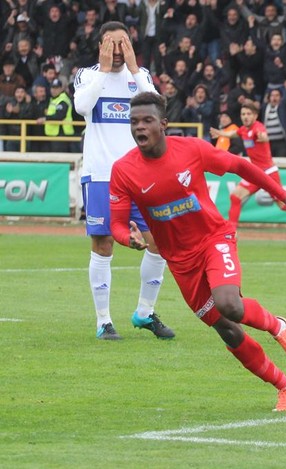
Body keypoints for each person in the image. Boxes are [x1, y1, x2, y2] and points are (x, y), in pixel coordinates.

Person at [110, 91, 286, 411]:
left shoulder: (191, 150)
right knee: (228, 331)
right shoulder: (124, 170)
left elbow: (240, 166)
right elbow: (117, 225)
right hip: (179, 262)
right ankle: (285, 386)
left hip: (213, 239)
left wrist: (282, 195)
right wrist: (130, 239)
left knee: (229, 304)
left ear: (163, 124)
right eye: (134, 121)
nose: (140, 127)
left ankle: (279, 326)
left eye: (147, 120)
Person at [73, 21, 173, 340]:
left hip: (141, 175)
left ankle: (144, 313)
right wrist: (103, 71)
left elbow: (158, 112)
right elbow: (81, 107)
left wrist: (134, 70)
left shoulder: (139, 78)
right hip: (102, 173)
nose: (117, 51)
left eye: (123, 44)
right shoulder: (88, 75)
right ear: (100, 45)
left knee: (160, 242)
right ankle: (103, 320)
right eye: (111, 44)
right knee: (103, 245)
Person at [209, 103, 286, 228]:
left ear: (255, 116)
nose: (245, 117)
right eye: (243, 114)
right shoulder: (244, 130)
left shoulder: (258, 127)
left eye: (248, 114)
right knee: (235, 196)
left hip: (268, 172)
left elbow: (262, 134)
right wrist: (221, 133)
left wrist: (263, 137)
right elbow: (234, 133)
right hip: (255, 172)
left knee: (283, 205)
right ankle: (231, 232)